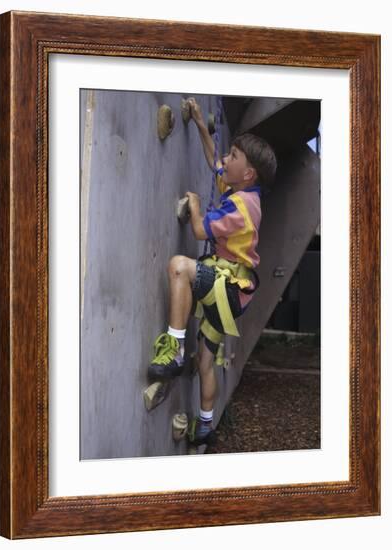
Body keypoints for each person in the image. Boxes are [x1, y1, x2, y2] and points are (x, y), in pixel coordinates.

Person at [148, 97, 277, 446]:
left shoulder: (241, 207)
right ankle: (205, 425)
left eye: (234, 156)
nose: (226, 158)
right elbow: (213, 162)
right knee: (206, 362)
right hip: (235, 291)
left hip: (228, 287)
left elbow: (201, 231)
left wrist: (193, 204)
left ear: (248, 173)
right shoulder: (244, 191)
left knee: (179, 267)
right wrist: (203, 128)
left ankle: (173, 350)